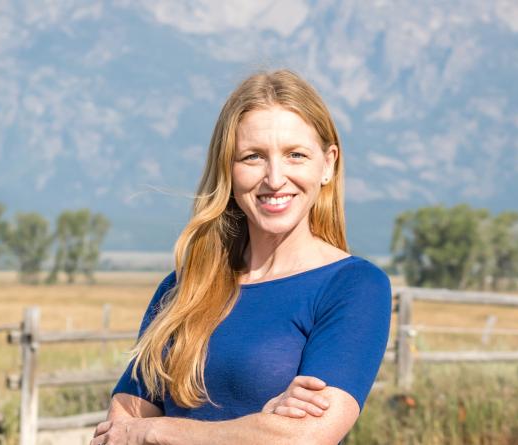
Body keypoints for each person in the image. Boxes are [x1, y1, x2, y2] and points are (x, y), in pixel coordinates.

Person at [91, 69, 391, 445]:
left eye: (295, 155)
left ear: (328, 164)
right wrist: (256, 427)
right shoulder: (184, 288)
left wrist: (158, 429)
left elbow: (303, 438)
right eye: (253, 157)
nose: (275, 178)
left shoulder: (353, 287)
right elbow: (117, 433)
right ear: (227, 169)